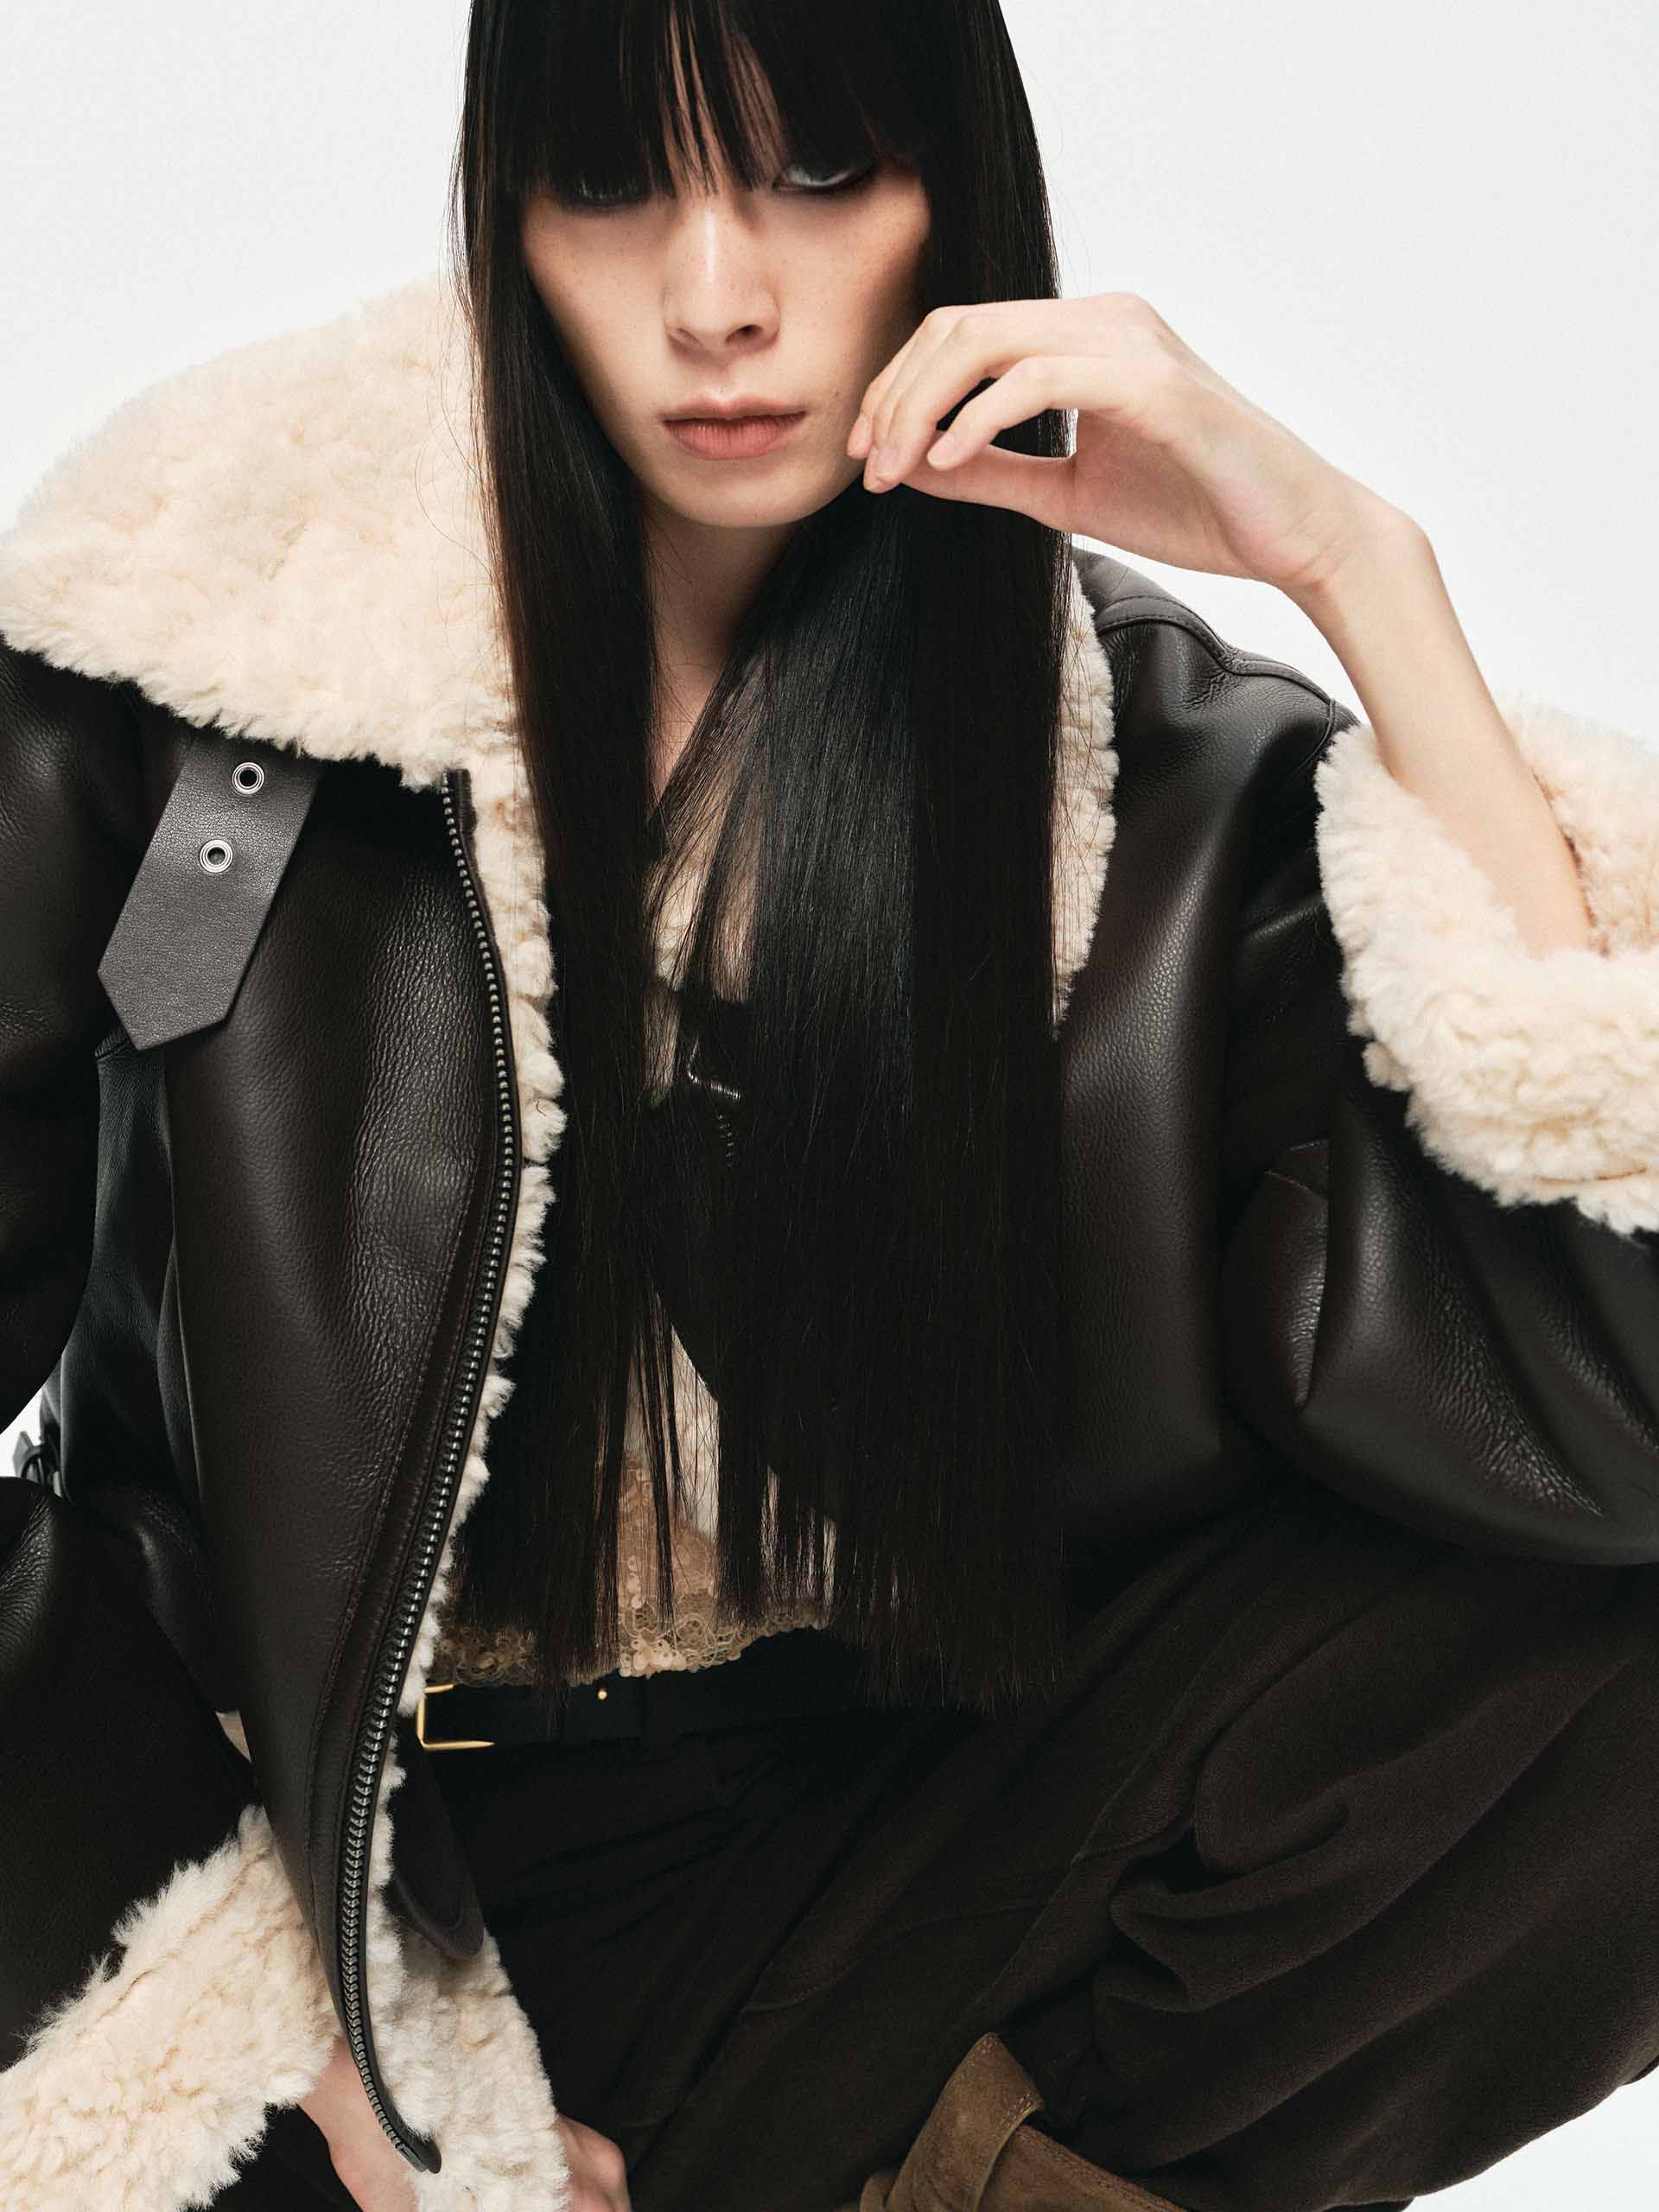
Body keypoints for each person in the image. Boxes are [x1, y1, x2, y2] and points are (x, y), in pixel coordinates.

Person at [2, 3, 1657, 2209]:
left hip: (878, 1858)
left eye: (814, 172)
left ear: (955, 198)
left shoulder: (1141, 776)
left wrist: (1364, 568)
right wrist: (245, 2019)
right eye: (616, 186)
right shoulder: (206, 658)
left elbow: (1607, 1414)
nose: (717, 298)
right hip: (323, 1867)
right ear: (507, 215)